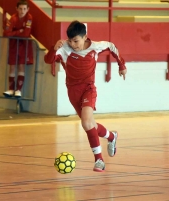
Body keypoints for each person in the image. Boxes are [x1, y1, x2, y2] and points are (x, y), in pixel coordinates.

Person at [44, 20, 127, 172]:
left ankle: (99, 160)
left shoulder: (96, 47)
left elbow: (112, 46)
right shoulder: (64, 49)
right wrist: (52, 49)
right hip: (73, 91)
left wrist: (121, 66)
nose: (73, 44)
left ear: (85, 37)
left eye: (76, 41)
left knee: (86, 123)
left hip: (88, 88)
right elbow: (48, 60)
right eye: (70, 41)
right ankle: (111, 137)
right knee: (91, 125)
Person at [3, 0, 33, 98]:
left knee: (21, 66)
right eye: (20, 9)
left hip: (24, 45)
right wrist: (19, 31)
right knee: (12, 66)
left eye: (24, 9)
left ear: (28, 9)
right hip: (13, 45)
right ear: (16, 9)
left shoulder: (29, 18)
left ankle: (18, 90)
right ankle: (11, 89)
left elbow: (26, 34)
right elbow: (6, 33)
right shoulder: (13, 18)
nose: (22, 11)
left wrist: (15, 32)